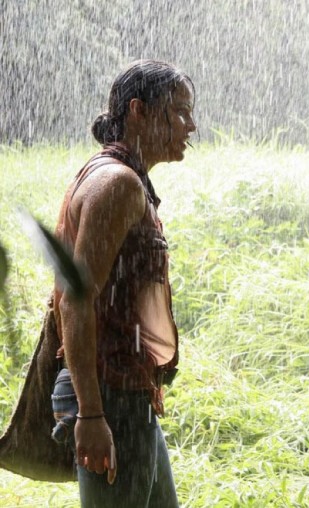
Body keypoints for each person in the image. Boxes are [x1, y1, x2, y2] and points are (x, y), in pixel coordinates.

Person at [52, 59, 196, 507]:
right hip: (110, 398)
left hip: (128, 393)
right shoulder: (117, 184)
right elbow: (75, 301)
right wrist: (92, 414)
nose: (191, 126)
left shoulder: (123, 177)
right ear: (138, 110)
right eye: (180, 112)